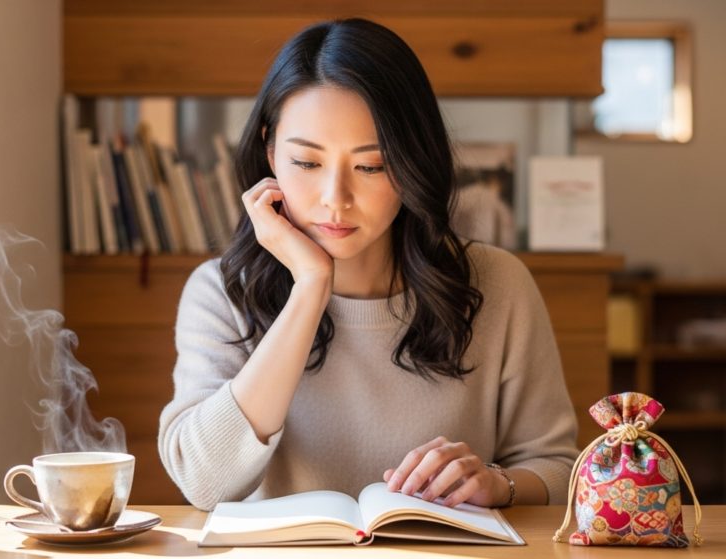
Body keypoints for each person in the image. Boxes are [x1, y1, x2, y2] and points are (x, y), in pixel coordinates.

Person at [157, 18, 579, 513]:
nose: (336, 200)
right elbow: (204, 483)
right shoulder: (222, 291)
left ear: (411, 162)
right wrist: (311, 286)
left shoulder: (498, 283)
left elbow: (559, 467)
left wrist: (496, 484)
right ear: (270, 150)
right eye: (307, 164)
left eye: (371, 166)